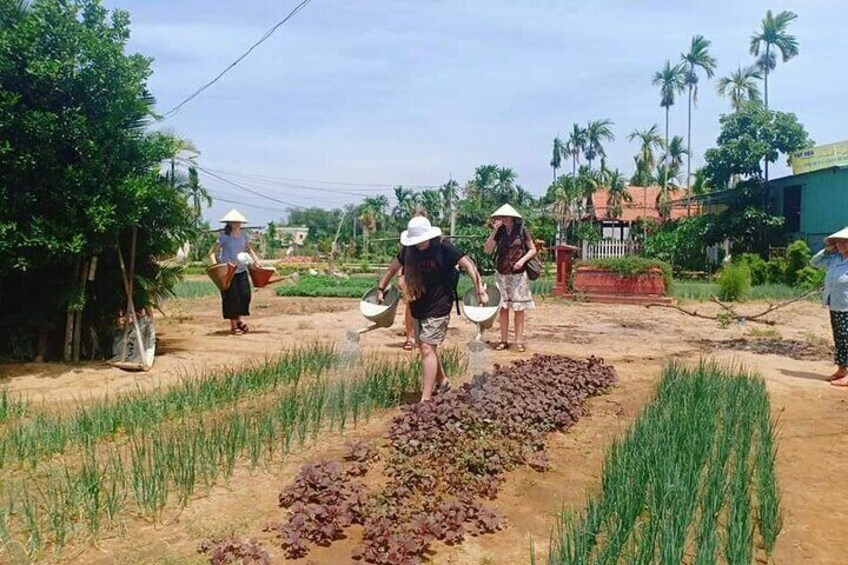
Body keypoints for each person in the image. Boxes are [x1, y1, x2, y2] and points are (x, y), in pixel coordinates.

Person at [377, 216, 488, 402]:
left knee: (427, 347)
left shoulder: (444, 248)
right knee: (425, 347)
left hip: (440, 303)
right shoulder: (408, 251)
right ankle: (443, 382)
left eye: (421, 240)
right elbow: (392, 269)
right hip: (418, 303)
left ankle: (425, 399)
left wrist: (479, 290)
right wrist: (381, 289)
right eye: (415, 241)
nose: (418, 244)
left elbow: (469, 265)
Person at [483, 204, 537, 353]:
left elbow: (533, 249)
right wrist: (494, 231)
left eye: (506, 217)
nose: (503, 219)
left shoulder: (521, 230)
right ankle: (504, 340)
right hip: (502, 273)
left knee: (519, 309)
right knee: (503, 308)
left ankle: (518, 341)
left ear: (512, 217)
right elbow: (487, 250)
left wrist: (522, 260)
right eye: (501, 217)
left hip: (518, 274)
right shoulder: (499, 232)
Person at [208, 209, 260, 335]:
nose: (237, 224)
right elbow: (211, 253)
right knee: (232, 299)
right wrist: (216, 266)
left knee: (245, 295)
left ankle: (238, 321)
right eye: (235, 222)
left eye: (239, 222)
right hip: (228, 272)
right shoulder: (224, 237)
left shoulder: (244, 236)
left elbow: (248, 250)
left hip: (242, 270)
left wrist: (256, 261)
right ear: (230, 223)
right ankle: (234, 326)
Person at [811, 227, 848, 386]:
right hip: (835, 304)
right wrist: (827, 250)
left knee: (847, 339)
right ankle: (841, 369)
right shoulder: (834, 259)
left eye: (844, 242)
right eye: (838, 242)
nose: (840, 245)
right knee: (839, 338)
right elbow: (814, 262)